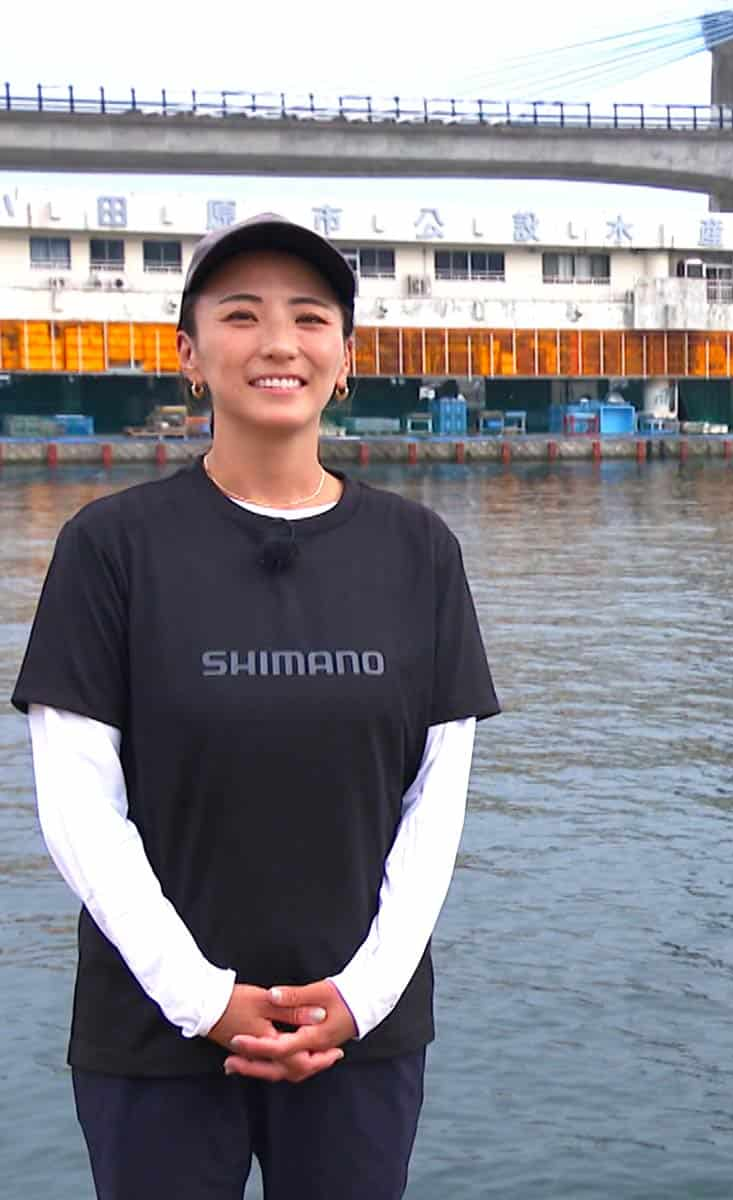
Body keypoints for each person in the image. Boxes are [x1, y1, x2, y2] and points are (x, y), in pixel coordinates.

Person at [12, 213, 500, 1199]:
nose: (278, 342)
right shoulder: (111, 549)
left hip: (358, 1039)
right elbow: (79, 815)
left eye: (309, 318)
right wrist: (205, 1002)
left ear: (346, 358)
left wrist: (359, 999)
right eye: (241, 315)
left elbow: (434, 804)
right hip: (153, 1038)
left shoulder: (419, 554)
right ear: (189, 356)